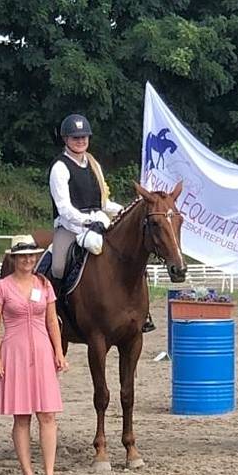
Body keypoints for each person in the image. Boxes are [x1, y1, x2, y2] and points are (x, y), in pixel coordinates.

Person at [48, 113, 156, 332]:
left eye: (84, 137)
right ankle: (57, 312)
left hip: (98, 221)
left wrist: (127, 210)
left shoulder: (94, 164)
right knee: (58, 265)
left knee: (129, 258)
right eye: (75, 137)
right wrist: (87, 221)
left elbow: (104, 201)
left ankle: (142, 312)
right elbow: (64, 208)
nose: (80, 141)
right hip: (70, 225)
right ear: (66, 139)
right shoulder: (59, 167)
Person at [0, 235, 68, 475]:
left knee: (47, 413)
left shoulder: (44, 285)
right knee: (21, 416)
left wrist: (59, 351)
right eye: (23, 255)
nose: (28, 260)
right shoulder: (1, 287)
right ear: (14, 258)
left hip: (42, 351)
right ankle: (27, 473)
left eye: (32, 255)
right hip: (15, 350)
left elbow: (53, 321)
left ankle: (50, 472)